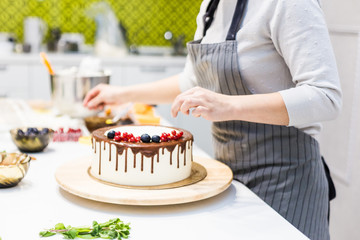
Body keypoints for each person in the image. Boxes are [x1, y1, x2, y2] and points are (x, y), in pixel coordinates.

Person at [83, 0, 342, 239]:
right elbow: (191, 80)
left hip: (287, 183)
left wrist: (228, 105)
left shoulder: (287, 3)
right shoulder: (211, 5)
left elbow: (325, 96)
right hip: (229, 178)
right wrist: (122, 94)